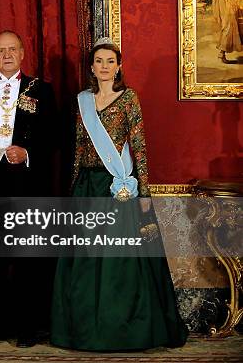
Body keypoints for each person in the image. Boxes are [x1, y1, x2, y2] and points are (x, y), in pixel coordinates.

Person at [50, 37, 188, 351]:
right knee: (86, 260)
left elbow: (138, 147)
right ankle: (84, 329)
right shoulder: (81, 101)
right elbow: (79, 149)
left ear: (119, 66)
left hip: (118, 187)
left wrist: (145, 193)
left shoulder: (129, 99)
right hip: (87, 187)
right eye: (99, 60)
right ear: (91, 67)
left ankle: (122, 328)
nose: (104, 66)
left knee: (120, 260)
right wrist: (73, 190)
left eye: (110, 61)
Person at [0, 30, 57, 347]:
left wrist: (28, 153)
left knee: (28, 256)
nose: (6, 55)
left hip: (27, 182)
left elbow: (53, 137)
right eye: (1, 50)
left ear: (22, 53)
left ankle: (29, 327)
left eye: (12, 49)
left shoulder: (42, 90)